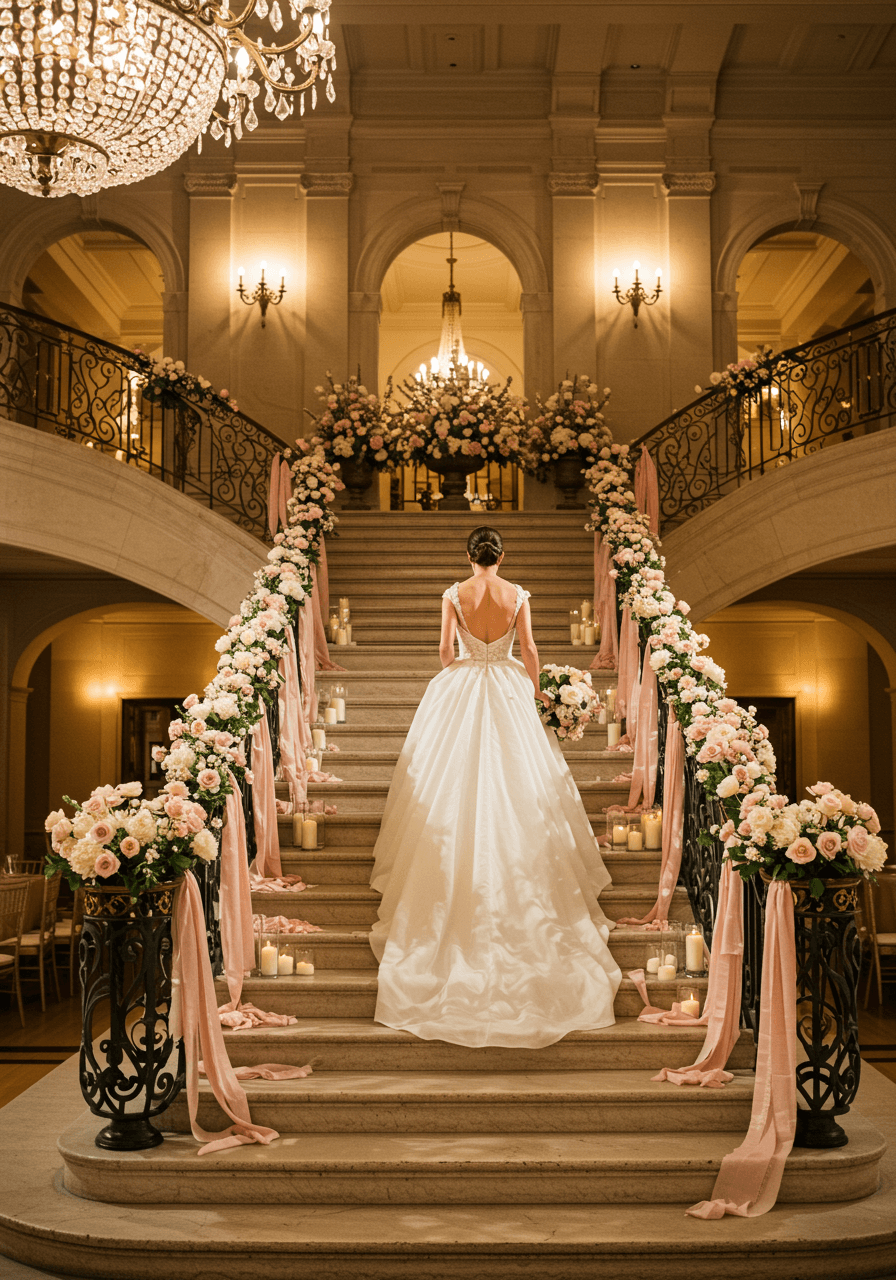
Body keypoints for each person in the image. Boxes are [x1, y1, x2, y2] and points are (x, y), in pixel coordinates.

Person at [368, 525, 621, 1048]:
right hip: (507, 685)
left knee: (450, 781)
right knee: (522, 783)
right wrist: (532, 692)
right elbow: (529, 649)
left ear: (468, 555)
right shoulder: (517, 594)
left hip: (460, 685)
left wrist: (466, 667)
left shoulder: (453, 593)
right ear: (502, 556)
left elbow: (444, 651)